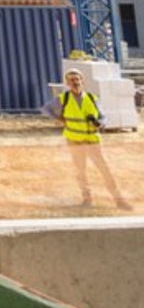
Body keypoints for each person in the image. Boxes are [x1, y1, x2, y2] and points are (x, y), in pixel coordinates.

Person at [44, 67, 131, 210]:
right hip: (74, 140)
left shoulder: (92, 98)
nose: (75, 82)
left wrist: (99, 123)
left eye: (77, 79)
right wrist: (59, 118)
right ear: (67, 83)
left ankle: (118, 199)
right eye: (72, 80)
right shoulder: (63, 99)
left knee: (105, 169)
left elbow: (103, 117)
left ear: (82, 81)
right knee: (80, 171)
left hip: (92, 141)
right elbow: (46, 108)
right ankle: (87, 199)